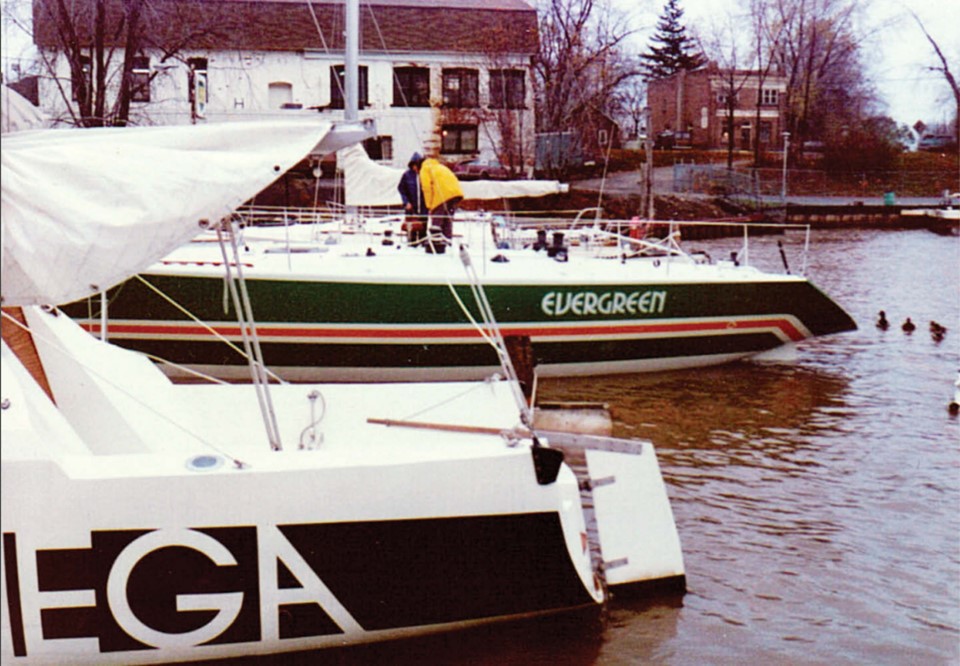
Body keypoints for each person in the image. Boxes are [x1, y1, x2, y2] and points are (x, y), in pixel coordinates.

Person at [415, 155, 463, 242]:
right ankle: (447, 240)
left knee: (437, 219)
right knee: (448, 219)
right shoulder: (440, 167)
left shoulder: (425, 169)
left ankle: (436, 242)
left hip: (442, 196)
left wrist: (429, 205)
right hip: (455, 194)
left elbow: (427, 188)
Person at [397, 152, 428, 245]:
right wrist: (406, 202)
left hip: (423, 206)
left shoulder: (426, 174)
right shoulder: (407, 175)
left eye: (417, 165)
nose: (415, 167)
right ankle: (412, 242)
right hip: (411, 206)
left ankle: (423, 241)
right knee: (411, 226)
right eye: (413, 165)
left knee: (423, 225)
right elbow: (401, 189)